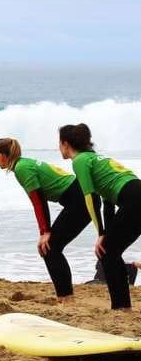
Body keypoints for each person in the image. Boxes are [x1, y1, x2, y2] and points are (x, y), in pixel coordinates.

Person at [0, 137, 111, 301]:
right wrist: (45, 231)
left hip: (80, 200)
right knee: (51, 248)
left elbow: (38, 201)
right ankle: (65, 296)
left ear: (1, 156)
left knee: (50, 247)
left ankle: (66, 297)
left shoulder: (21, 168)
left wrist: (45, 232)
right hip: (79, 199)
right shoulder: (24, 164)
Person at [60, 123, 140, 310]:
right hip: (135, 195)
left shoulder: (79, 161)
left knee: (108, 252)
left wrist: (101, 233)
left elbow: (91, 199)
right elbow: (108, 202)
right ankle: (122, 306)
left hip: (134, 199)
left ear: (65, 143)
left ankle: (121, 306)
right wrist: (106, 233)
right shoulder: (96, 158)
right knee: (110, 251)